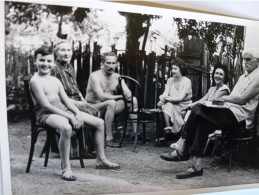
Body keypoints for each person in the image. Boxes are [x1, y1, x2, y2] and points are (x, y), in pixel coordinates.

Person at [160, 49, 259, 179]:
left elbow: (241, 99)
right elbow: (234, 98)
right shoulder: (242, 77)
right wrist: (221, 101)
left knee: (198, 108)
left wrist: (221, 99)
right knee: (202, 120)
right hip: (229, 111)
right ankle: (196, 166)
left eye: (248, 59)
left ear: (257, 61)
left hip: (240, 118)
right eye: (244, 59)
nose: (245, 62)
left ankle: (182, 148)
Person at [30, 46, 120, 181]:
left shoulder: (55, 80)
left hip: (62, 109)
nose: (45, 64)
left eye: (49, 61)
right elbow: (46, 105)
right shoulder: (35, 80)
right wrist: (70, 117)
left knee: (99, 123)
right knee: (66, 127)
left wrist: (77, 113)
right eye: (41, 60)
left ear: (53, 63)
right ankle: (66, 168)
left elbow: (66, 101)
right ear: (35, 62)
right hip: (46, 113)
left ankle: (101, 160)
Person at [51, 41, 99, 158]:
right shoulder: (54, 69)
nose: (66, 53)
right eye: (62, 50)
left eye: (68, 50)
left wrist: (84, 102)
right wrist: (78, 103)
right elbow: (56, 96)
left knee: (94, 111)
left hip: (74, 100)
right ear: (56, 53)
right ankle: (78, 151)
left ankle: (89, 146)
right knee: (87, 114)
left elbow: (76, 89)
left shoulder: (70, 67)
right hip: (63, 102)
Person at [169, 65, 230, 149]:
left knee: (195, 113)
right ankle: (183, 142)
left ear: (224, 77)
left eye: (221, 74)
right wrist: (189, 106)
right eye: (216, 73)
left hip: (216, 117)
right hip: (208, 114)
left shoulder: (225, 89)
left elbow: (212, 101)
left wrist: (193, 106)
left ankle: (183, 142)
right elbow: (202, 100)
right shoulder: (212, 89)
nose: (218, 76)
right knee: (192, 112)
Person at [85, 52, 138, 146]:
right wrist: (120, 96)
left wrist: (127, 94)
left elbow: (128, 92)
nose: (111, 66)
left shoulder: (117, 76)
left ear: (117, 64)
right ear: (102, 63)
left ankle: (135, 133)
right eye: (108, 63)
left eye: (113, 63)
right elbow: (101, 96)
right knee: (111, 103)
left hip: (110, 106)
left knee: (133, 100)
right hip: (94, 106)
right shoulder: (95, 76)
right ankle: (109, 136)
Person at [157, 59, 192, 137]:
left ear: (181, 69)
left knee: (167, 104)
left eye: (175, 69)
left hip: (184, 105)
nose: (173, 71)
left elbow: (180, 98)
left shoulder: (186, 81)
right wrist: (162, 99)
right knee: (165, 105)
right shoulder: (170, 80)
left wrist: (166, 99)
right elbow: (165, 93)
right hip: (172, 104)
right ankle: (168, 129)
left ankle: (171, 130)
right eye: (172, 68)